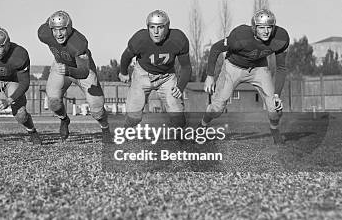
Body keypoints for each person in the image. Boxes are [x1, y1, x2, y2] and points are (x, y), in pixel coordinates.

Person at [200, 9, 290, 144]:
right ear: (254, 28)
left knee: (274, 108)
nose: (266, 31)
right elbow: (215, 48)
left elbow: (281, 67)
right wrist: (210, 76)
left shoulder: (280, 38)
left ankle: (275, 131)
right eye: (261, 27)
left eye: (269, 27)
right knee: (217, 108)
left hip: (259, 68)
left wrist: (277, 94)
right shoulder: (240, 36)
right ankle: (203, 126)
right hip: (233, 67)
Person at [38, 10, 111, 143]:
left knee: (97, 109)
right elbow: (45, 27)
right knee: (53, 102)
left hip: (81, 69)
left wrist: (69, 70)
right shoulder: (44, 33)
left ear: (69, 28)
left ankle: (105, 128)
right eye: (55, 29)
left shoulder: (78, 42)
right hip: (60, 66)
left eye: (62, 29)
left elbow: (84, 72)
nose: (58, 34)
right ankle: (64, 119)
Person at [118, 10, 191, 130]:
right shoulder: (140, 38)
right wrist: (123, 72)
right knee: (133, 116)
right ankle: (125, 133)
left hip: (167, 77)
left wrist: (180, 87)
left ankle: (179, 139)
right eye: (152, 27)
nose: (156, 32)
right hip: (143, 75)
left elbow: (186, 67)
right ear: (148, 28)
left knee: (178, 115)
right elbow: (126, 56)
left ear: (167, 27)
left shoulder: (178, 39)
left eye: (160, 27)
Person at [0, 27, 42, 144]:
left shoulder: (19, 55)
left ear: (8, 44)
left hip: (12, 80)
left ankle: (32, 131)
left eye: (0, 46)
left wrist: (9, 100)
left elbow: (25, 82)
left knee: (21, 114)